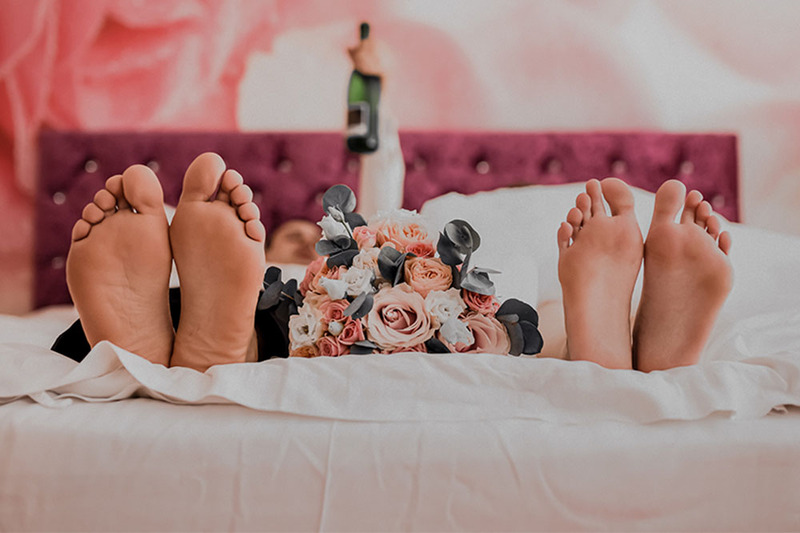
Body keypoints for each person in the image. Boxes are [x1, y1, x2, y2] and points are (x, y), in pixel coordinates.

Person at [54, 151, 732, 372]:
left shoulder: (390, 228)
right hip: (261, 304)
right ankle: (609, 357)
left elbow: (380, 175)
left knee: (524, 314)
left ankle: (617, 336)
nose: (297, 244)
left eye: (301, 236)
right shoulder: (265, 269)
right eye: (285, 239)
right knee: (514, 327)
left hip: (358, 305)